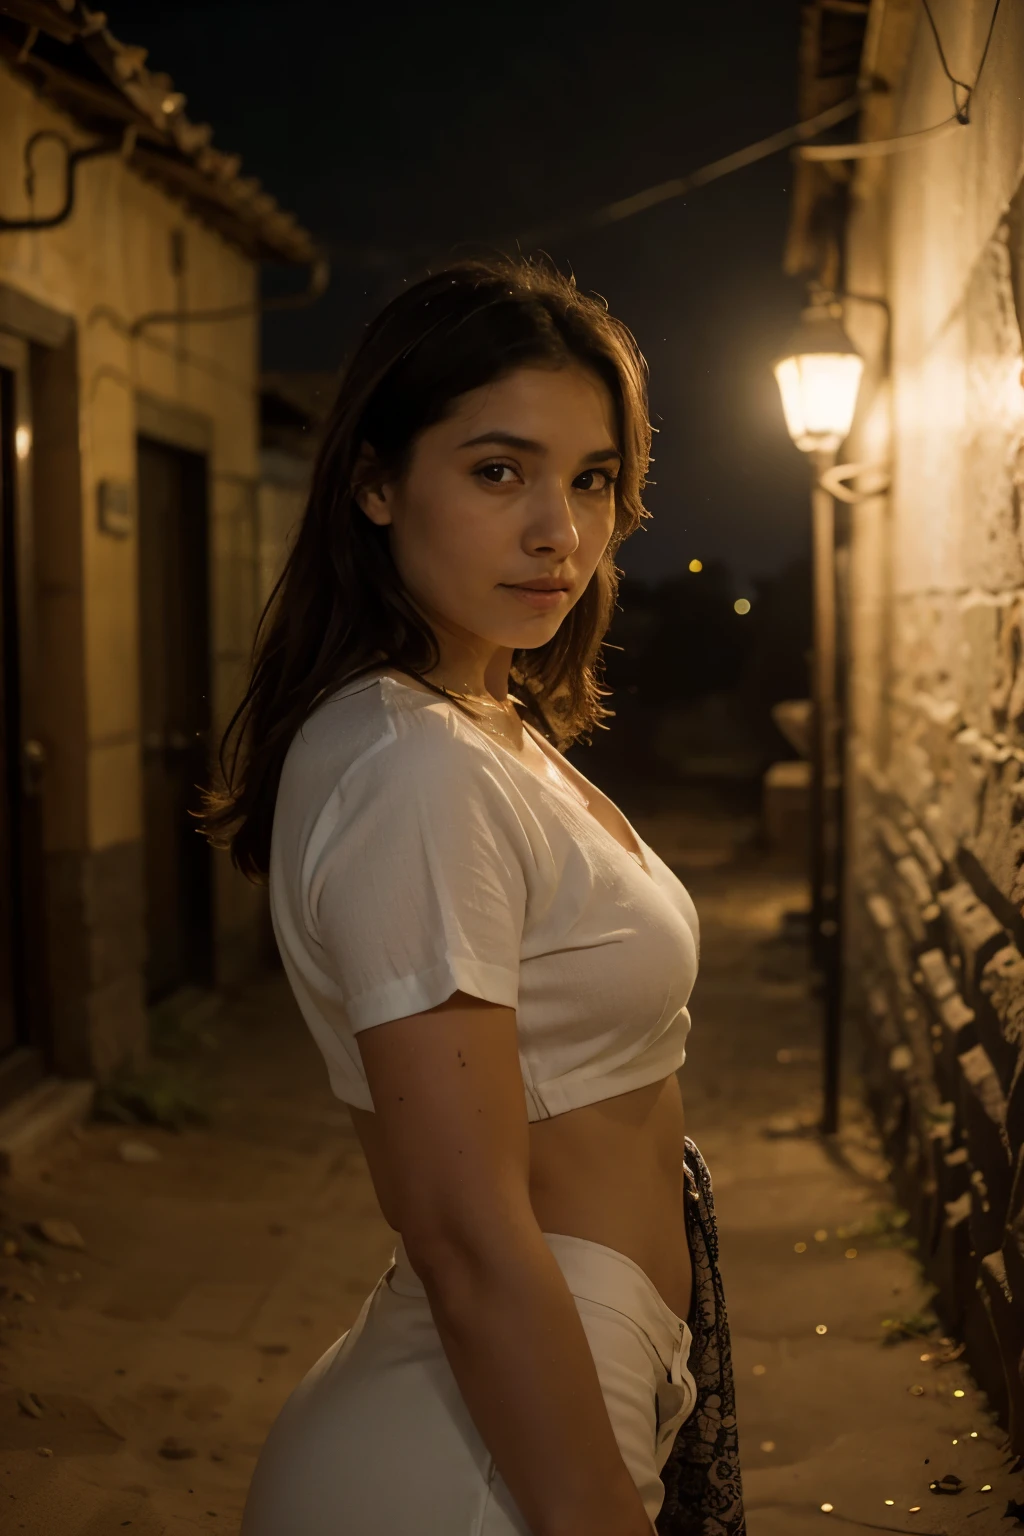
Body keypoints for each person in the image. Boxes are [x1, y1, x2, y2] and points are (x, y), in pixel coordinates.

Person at [199, 255, 744, 1536]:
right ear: (375, 482)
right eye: (499, 471)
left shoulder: (474, 720)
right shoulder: (417, 768)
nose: (559, 529)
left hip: (538, 1399)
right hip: (494, 1464)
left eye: (592, 479)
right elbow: (460, 1228)